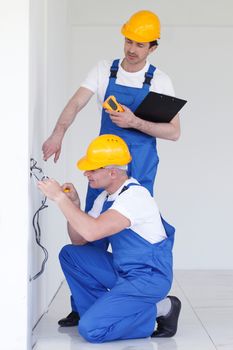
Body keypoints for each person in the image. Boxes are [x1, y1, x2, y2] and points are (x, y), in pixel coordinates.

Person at [38, 134, 181, 343]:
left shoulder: (134, 197)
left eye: (93, 169)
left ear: (112, 172)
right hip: (123, 270)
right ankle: (101, 314)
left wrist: (59, 198)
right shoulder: (105, 197)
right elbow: (79, 240)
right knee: (71, 254)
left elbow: (92, 232)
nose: (87, 173)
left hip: (148, 278)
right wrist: (75, 206)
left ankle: (161, 308)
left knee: (92, 331)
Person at [42, 9, 180, 213]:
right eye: (128, 41)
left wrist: (134, 122)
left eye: (140, 45)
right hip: (103, 161)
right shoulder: (104, 70)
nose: (131, 49)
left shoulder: (159, 81)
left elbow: (174, 132)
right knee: (94, 220)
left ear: (152, 49)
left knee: (134, 222)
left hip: (141, 162)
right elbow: (76, 103)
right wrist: (57, 134)